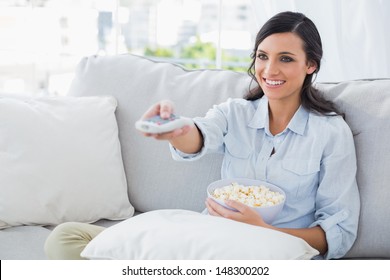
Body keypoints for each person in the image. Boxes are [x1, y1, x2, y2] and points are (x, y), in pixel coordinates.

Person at [44, 11, 360, 260]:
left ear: (311, 65)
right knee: (66, 237)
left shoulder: (330, 133)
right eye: (262, 56)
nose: (269, 70)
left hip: (275, 255)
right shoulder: (236, 113)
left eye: (286, 59)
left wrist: (264, 230)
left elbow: (338, 231)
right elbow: (198, 135)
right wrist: (175, 129)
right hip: (211, 240)